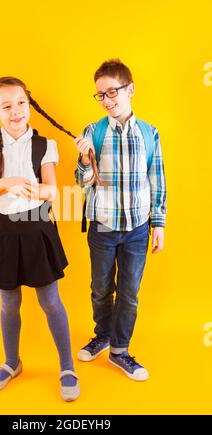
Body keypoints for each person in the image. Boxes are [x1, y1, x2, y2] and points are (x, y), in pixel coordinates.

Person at [0, 76, 80, 401]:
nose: (16, 111)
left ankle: (67, 366)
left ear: (28, 105)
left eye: (21, 103)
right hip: (2, 230)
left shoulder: (45, 146)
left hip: (36, 226)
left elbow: (51, 190)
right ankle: (11, 362)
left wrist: (38, 190)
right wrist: (6, 183)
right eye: (6, 106)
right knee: (8, 303)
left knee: (50, 301)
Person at [74, 59, 167, 381]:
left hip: (138, 229)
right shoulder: (93, 131)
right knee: (100, 288)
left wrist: (159, 224)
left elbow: (157, 179)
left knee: (129, 292)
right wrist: (86, 159)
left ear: (130, 90)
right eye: (100, 95)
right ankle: (103, 334)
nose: (107, 100)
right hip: (102, 226)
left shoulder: (149, 133)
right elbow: (81, 182)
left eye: (112, 91)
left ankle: (120, 351)